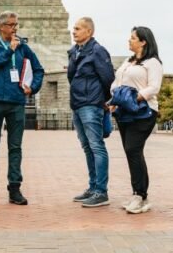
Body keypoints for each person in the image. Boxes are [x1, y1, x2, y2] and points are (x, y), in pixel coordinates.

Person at [0, 11, 44, 206]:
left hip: (16, 102)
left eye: (16, 24)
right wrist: (9, 51)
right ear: (1, 27)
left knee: (15, 147)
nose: (15, 28)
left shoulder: (23, 47)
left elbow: (39, 69)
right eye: (11, 24)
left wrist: (33, 87)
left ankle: (14, 188)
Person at [108, 26, 163, 214]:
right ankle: (138, 194)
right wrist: (115, 97)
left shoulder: (152, 62)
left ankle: (142, 195)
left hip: (143, 111)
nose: (129, 41)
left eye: (132, 38)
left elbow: (154, 87)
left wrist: (135, 97)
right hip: (125, 111)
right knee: (131, 152)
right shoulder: (127, 61)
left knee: (133, 149)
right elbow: (117, 82)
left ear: (143, 41)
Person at [68, 17, 116, 208]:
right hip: (77, 104)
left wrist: (102, 101)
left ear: (89, 32)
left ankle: (101, 192)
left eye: (78, 28)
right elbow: (72, 77)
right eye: (74, 28)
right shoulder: (74, 52)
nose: (74, 31)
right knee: (87, 147)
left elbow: (108, 78)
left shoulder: (97, 51)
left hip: (91, 104)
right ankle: (93, 187)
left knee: (96, 146)